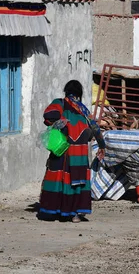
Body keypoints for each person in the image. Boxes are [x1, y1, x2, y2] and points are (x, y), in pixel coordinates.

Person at [38, 80, 106, 223]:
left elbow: (49, 115)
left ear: (66, 91)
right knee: (77, 181)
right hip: (80, 153)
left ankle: (56, 211)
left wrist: (61, 123)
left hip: (64, 149)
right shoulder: (84, 110)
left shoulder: (59, 103)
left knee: (61, 179)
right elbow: (95, 128)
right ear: (79, 94)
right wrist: (102, 145)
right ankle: (74, 213)